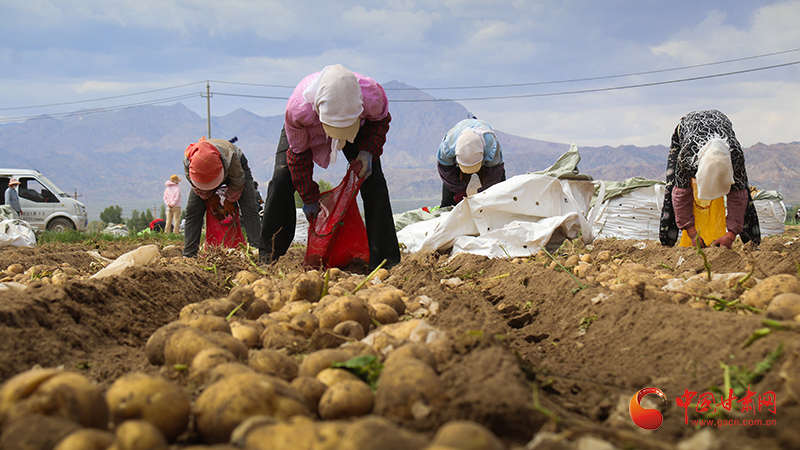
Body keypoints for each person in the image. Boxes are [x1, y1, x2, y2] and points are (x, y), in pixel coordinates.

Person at [260, 64, 401, 270]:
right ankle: (269, 257)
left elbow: (380, 121)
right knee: (282, 178)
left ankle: (386, 260)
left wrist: (367, 152)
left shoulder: (372, 95)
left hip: (357, 128)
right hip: (309, 128)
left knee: (373, 180)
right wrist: (308, 196)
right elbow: (298, 156)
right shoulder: (298, 109)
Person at [659, 110, 760, 248]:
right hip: (687, 129)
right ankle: (667, 242)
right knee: (673, 186)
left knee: (743, 188)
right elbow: (681, 196)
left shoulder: (735, 155)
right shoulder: (687, 156)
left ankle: (752, 242)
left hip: (720, 121)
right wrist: (693, 234)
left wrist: (730, 236)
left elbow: (738, 195)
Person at [183, 136, 261, 257]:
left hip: (234, 169)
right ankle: (189, 254)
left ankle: (258, 252)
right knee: (193, 210)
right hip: (203, 174)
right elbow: (194, 183)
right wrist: (210, 197)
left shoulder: (231, 157)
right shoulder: (188, 160)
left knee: (250, 208)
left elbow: (238, 180)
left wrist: (230, 200)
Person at [437, 118, 505, 207]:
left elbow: (494, 175)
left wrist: (485, 195)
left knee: (495, 199)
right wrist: (458, 190)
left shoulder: (491, 145)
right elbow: (446, 171)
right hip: (456, 164)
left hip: (487, 163)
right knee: (448, 203)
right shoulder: (448, 145)